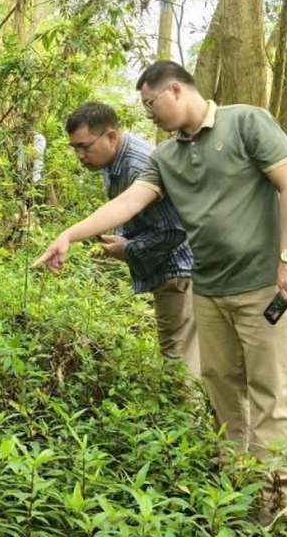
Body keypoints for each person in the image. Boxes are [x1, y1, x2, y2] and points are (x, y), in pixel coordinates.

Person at [35, 62, 287, 527]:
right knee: (221, 383)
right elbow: (126, 204)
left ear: (175, 90)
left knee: (269, 389)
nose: (148, 114)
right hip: (209, 286)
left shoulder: (246, 122)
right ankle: (236, 476)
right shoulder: (165, 157)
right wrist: (69, 234)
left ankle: (276, 494)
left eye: (150, 103)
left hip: (263, 286)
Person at [63, 102, 199, 375]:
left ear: (111, 136)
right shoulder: (114, 159)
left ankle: (189, 417)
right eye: (75, 148)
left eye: (85, 146)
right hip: (168, 270)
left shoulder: (138, 165)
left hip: (178, 272)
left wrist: (130, 247)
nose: (80, 155)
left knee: (179, 358)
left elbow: (175, 230)